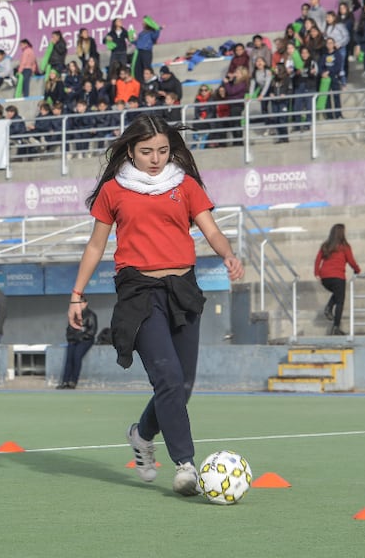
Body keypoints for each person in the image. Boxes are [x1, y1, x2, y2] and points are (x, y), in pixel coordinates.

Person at [67, 114, 244, 496]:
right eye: (146, 151)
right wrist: (76, 295)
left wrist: (228, 254)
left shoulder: (186, 185)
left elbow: (210, 228)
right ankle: (185, 465)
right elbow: (96, 246)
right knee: (166, 377)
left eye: (163, 150)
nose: (156, 158)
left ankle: (141, 434)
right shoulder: (114, 191)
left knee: (182, 385)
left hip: (183, 288)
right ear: (130, 149)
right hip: (139, 292)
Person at [314, 223, 362, 336]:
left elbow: (317, 259)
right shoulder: (344, 246)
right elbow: (351, 261)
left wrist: (317, 273)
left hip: (325, 278)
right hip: (338, 277)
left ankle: (329, 307)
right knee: (340, 301)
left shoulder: (326, 245)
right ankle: (336, 327)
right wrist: (357, 270)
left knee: (337, 294)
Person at [58, 297, 97, 389]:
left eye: (82, 302)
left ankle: (73, 381)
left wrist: (81, 337)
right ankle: (65, 381)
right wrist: (71, 338)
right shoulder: (74, 315)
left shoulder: (91, 315)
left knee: (77, 357)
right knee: (69, 359)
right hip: (74, 340)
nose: (80, 304)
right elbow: (69, 329)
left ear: (86, 303)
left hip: (85, 340)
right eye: (79, 302)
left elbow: (92, 331)